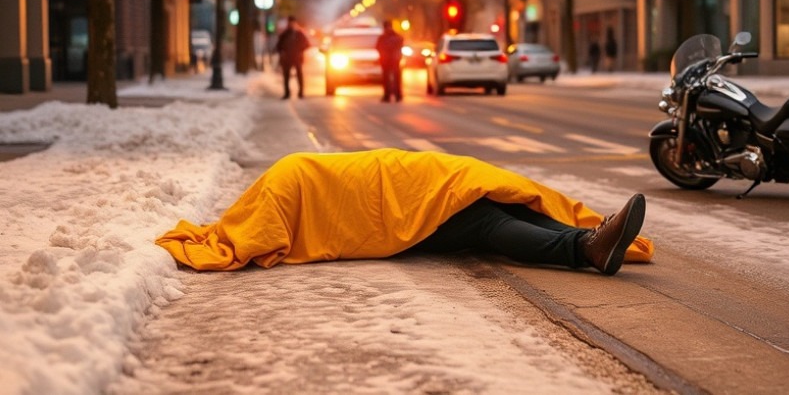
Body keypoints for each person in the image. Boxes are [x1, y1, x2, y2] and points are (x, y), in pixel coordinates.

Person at [156, 148, 654, 274]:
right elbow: (263, 231)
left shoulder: (287, 179)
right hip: (404, 215)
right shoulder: (287, 182)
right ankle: (582, 247)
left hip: (410, 193)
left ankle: (590, 238)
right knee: (485, 218)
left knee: (487, 203)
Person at [274, 16, 310, 99]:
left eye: (293, 23)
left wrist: (300, 50)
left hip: (297, 58)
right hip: (287, 59)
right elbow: (279, 46)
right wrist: (283, 53)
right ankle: (287, 93)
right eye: (290, 23)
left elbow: (307, 45)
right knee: (286, 76)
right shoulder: (285, 34)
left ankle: (300, 93)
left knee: (299, 75)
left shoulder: (299, 34)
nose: (291, 24)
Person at [375, 20, 404, 102]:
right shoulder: (397, 37)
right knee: (396, 78)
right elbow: (401, 43)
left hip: (386, 61)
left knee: (386, 79)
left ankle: (387, 96)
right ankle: (398, 95)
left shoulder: (383, 38)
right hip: (396, 60)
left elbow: (377, 47)